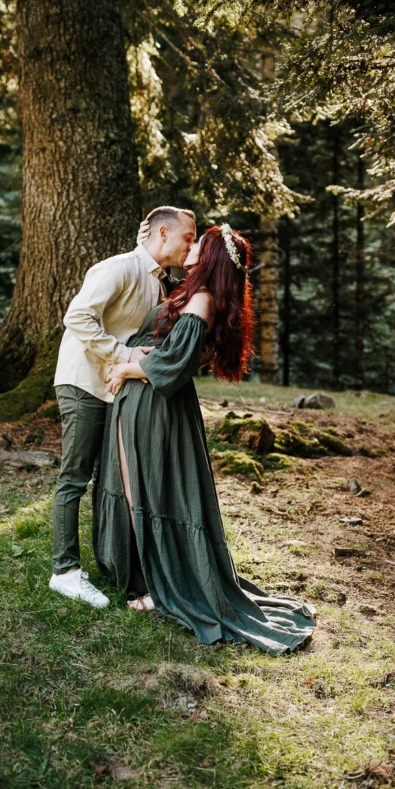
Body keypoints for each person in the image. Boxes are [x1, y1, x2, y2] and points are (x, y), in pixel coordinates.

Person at [94, 224, 316, 654]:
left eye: (199, 242)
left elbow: (175, 362)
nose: (190, 246)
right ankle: (145, 576)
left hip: (154, 406)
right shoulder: (190, 292)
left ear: (210, 257)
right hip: (144, 403)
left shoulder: (201, 300)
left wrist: (123, 369)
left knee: (148, 490)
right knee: (136, 487)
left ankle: (163, 588)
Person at [50, 206, 197, 608]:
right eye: (188, 237)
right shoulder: (117, 268)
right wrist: (123, 355)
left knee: (109, 481)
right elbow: (77, 316)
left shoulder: (161, 279)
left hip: (117, 389)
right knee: (74, 478)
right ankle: (64, 571)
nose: (191, 245)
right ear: (163, 234)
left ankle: (110, 563)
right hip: (84, 383)